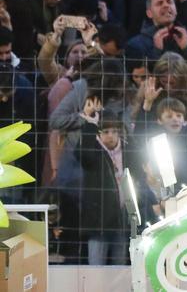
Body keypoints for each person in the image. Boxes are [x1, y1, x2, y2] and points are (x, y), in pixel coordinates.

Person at [75, 111, 129, 265]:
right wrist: (90, 126)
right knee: (96, 269)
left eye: (114, 131)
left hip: (122, 221)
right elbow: (82, 155)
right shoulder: (93, 152)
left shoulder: (127, 151)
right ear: (98, 134)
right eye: (105, 132)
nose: (110, 135)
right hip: (98, 223)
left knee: (120, 270)